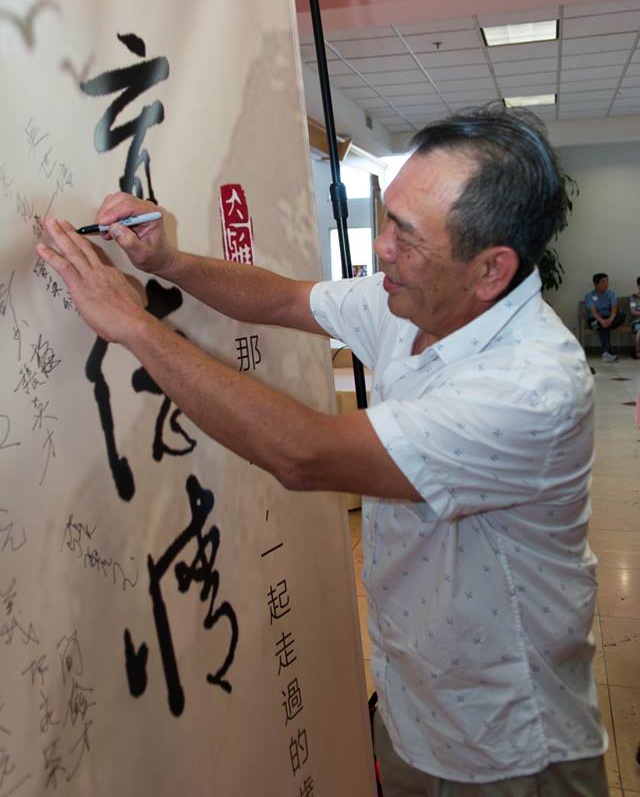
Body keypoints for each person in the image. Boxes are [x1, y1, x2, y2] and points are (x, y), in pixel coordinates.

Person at [36, 106, 608, 795]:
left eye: (406, 235)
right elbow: (285, 301)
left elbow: (303, 454)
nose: (381, 249)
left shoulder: (530, 387)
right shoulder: (416, 302)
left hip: (508, 747)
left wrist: (135, 325)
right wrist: (168, 263)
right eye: (387, 219)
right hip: (416, 708)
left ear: (491, 270)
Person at [585, 273, 625, 362]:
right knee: (600, 325)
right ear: (596, 284)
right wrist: (602, 321)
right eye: (603, 282)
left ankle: (606, 353)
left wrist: (610, 320)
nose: (606, 284)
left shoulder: (611, 293)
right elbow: (593, 312)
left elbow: (614, 309)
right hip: (594, 319)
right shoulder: (589, 296)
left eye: (607, 281)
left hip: (609, 318)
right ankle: (607, 352)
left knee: (621, 316)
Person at [630, 276, 640, 359]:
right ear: (638, 286)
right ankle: (637, 352)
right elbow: (633, 312)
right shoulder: (633, 297)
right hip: (637, 322)